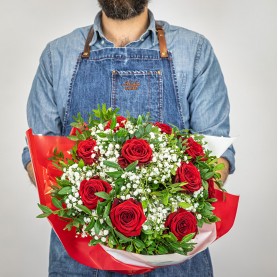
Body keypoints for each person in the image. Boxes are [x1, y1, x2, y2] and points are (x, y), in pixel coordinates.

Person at [22, 1, 235, 276]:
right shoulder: (57, 56)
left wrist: (166, 214)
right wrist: (85, 211)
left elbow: (217, 155)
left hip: (175, 261)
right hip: (81, 262)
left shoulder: (194, 51)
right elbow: (38, 157)